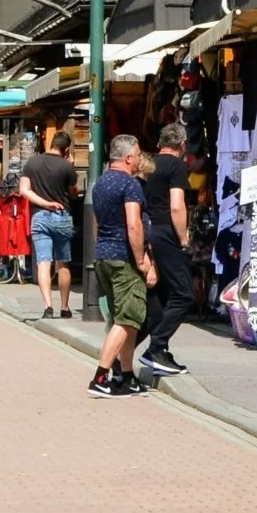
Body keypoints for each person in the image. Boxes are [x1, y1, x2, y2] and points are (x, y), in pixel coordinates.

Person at [88, 134, 156, 399]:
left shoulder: (101, 183)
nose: (139, 159)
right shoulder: (130, 185)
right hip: (124, 258)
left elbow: (96, 222)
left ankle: (126, 376)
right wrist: (141, 259)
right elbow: (133, 223)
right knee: (127, 318)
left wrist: (101, 247)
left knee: (126, 319)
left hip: (104, 255)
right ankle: (101, 376)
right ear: (128, 158)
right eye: (137, 155)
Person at [136, 123, 194, 377]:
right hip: (166, 232)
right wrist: (183, 238)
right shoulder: (177, 166)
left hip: (149, 230)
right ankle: (156, 348)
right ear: (182, 145)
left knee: (159, 299)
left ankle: (122, 354)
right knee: (183, 294)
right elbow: (177, 206)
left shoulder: (147, 165)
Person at [21, 130, 80, 319]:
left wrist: (43, 203)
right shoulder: (67, 167)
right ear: (67, 149)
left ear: (51, 143)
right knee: (63, 263)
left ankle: (48, 306)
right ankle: (65, 306)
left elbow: (24, 190)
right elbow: (73, 194)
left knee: (43, 263)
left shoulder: (33, 162)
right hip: (61, 216)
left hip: (39, 216)